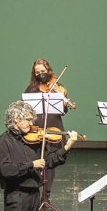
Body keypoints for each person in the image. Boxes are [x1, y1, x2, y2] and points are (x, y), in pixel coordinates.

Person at [24, 59, 74, 197]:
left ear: (48, 71)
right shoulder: (31, 89)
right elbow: (25, 109)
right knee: (35, 161)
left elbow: (64, 111)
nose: (40, 74)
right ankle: (34, 192)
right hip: (35, 130)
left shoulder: (58, 88)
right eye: (37, 72)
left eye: (43, 71)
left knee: (50, 163)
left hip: (53, 129)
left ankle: (46, 196)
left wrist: (63, 100)